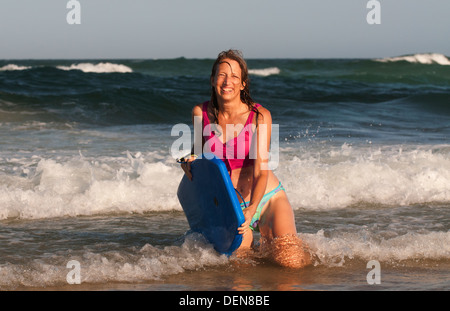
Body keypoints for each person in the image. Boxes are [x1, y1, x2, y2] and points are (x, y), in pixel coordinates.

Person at [180, 49, 310, 268]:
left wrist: (252, 210)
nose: (227, 81)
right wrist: (188, 161)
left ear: (243, 84)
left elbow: (261, 171)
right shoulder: (200, 113)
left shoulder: (259, 116)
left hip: (267, 198)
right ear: (212, 80)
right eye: (221, 75)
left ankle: (306, 251)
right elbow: (201, 156)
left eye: (234, 76)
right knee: (241, 266)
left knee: (291, 264)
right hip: (231, 204)